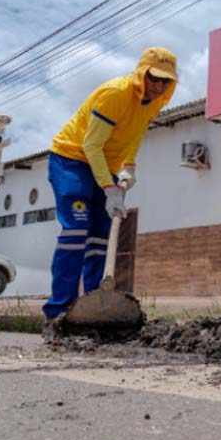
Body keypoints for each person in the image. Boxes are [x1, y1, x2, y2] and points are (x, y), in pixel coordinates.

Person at [43, 47, 177, 320]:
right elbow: (91, 145)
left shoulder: (153, 103)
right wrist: (109, 188)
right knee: (76, 232)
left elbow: (134, 137)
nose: (158, 85)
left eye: (166, 81)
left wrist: (129, 168)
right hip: (72, 159)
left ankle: (93, 308)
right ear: (141, 74)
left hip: (106, 168)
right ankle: (58, 312)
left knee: (99, 240)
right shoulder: (116, 94)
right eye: (154, 78)